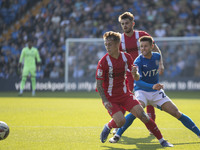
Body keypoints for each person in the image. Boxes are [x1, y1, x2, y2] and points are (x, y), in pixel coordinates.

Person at [109, 36, 200, 143]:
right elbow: (138, 81)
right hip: (141, 91)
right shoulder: (138, 61)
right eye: (141, 46)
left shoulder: (157, 56)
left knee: (176, 113)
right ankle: (117, 136)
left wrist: (161, 66)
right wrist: (152, 86)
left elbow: (159, 58)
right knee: (136, 112)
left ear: (152, 46)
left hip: (156, 92)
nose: (143, 49)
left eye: (146, 46)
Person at [96, 31, 173, 147]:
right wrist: (105, 100)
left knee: (143, 115)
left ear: (117, 44)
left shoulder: (126, 58)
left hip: (125, 94)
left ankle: (162, 141)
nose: (107, 47)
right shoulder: (103, 62)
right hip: (110, 97)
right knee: (121, 121)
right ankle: (108, 126)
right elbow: (98, 83)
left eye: (109, 44)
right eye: (106, 44)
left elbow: (135, 77)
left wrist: (135, 73)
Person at [117, 12, 164, 130]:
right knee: (125, 98)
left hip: (145, 71)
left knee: (150, 97)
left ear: (133, 24)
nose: (125, 26)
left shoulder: (142, 35)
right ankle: (118, 124)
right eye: (122, 24)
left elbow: (156, 48)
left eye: (127, 23)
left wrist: (161, 64)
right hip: (128, 74)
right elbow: (116, 56)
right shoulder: (120, 40)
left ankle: (152, 127)